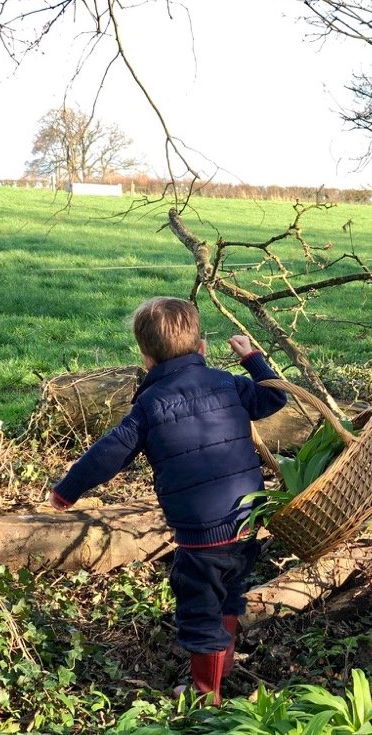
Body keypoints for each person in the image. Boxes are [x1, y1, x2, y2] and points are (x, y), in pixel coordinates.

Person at [48, 296, 286, 705]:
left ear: (146, 359)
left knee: (199, 610)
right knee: (229, 592)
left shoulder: (149, 406)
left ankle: (205, 695)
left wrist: (66, 490)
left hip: (202, 534)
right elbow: (275, 398)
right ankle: (222, 666)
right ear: (202, 348)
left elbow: (108, 454)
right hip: (248, 520)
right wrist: (252, 358)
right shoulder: (228, 383)